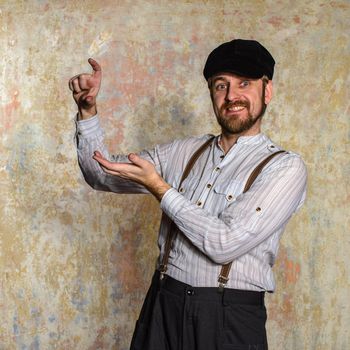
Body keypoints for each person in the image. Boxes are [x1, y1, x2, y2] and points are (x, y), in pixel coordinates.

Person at [69, 39, 307, 350]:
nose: (232, 96)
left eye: (244, 83)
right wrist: (88, 112)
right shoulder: (183, 152)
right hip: (163, 303)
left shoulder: (285, 168)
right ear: (211, 93)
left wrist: (160, 188)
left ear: (267, 91)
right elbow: (100, 173)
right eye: (221, 85)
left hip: (229, 315)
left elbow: (224, 244)